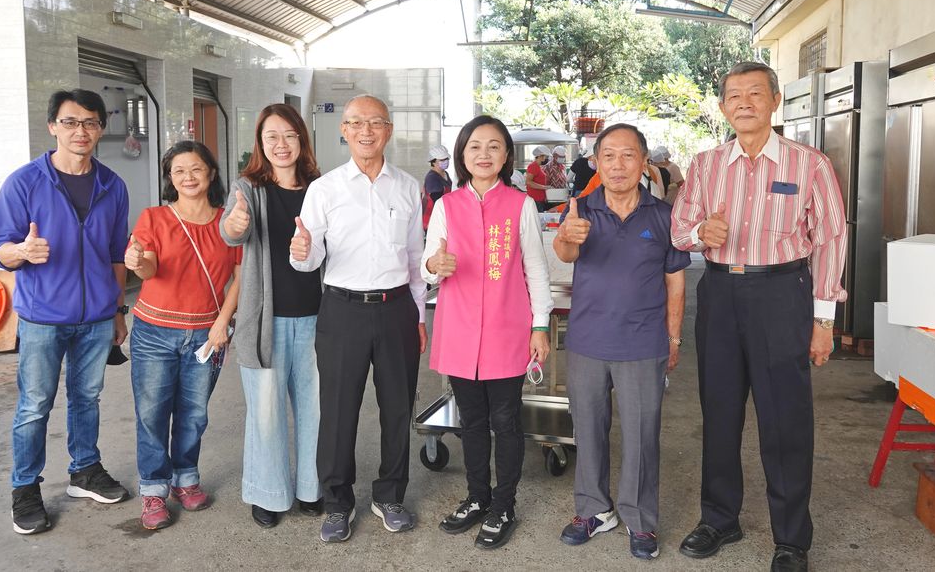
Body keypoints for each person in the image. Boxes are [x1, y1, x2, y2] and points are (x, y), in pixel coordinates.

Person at [670, 62, 847, 572]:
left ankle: (791, 538)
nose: (743, 102)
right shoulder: (705, 165)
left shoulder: (807, 164)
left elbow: (832, 240)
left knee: (784, 420)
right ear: (723, 107)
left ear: (774, 101)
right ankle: (720, 518)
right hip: (721, 292)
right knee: (719, 412)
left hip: (781, 293)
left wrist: (823, 320)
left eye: (754, 93)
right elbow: (679, 229)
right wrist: (701, 231)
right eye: (733, 95)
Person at [0, 89, 131, 535]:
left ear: (100, 130)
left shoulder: (113, 184)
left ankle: (84, 471)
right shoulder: (23, 182)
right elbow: (0, 249)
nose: (80, 131)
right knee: (35, 405)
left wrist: (117, 310)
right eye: (70, 122)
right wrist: (22, 251)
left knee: (86, 399)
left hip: (95, 319)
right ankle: (25, 488)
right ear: (53, 127)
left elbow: (116, 255)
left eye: (90, 122)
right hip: (42, 319)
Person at [290, 95, 427, 543]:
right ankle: (337, 502)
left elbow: (413, 257)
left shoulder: (407, 187)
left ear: (388, 130)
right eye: (355, 123)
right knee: (338, 412)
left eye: (374, 123)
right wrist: (302, 253)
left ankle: (389, 495)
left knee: (398, 408)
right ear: (343, 131)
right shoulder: (324, 189)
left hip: (396, 310)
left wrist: (419, 315)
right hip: (342, 310)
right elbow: (309, 260)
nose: (365, 131)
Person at [553, 124, 689, 560]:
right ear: (595, 163)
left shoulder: (663, 215)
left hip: (643, 343)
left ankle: (639, 519)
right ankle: (594, 510)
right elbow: (565, 253)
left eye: (628, 155)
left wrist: (673, 337)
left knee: (641, 435)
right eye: (608, 155)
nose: (617, 164)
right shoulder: (581, 209)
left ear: (644, 162)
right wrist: (565, 238)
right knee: (588, 430)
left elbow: (676, 283)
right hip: (588, 341)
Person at [422, 116, 553, 550]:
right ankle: (477, 497)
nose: (483, 154)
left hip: (506, 329)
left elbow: (536, 268)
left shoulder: (520, 204)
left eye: (494, 146)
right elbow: (429, 261)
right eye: (474, 146)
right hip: (460, 331)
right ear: (462, 154)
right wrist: (434, 266)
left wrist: (539, 325)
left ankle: (504, 504)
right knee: (471, 421)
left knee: (506, 420)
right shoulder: (447, 206)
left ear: (505, 156)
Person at [125, 141, 242, 530]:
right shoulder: (154, 218)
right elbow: (148, 270)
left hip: (206, 334)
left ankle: (186, 478)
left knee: (193, 415)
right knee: (152, 413)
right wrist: (138, 261)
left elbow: (241, 276)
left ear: (211, 173)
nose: (188, 177)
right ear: (170, 178)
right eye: (179, 171)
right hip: (154, 331)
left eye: (196, 168)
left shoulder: (229, 222)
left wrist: (223, 322)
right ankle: (154, 489)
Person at [219, 104, 324, 529]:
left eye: (289, 135)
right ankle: (268, 492)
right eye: (271, 137)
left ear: (302, 139)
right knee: (265, 413)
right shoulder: (247, 187)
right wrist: (236, 221)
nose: (281, 145)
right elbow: (233, 231)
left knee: (316, 409)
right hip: (266, 320)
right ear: (260, 144)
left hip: (319, 317)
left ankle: (312, 488)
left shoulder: (321, 187)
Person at [422, 145, 453, 230]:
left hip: (445, 215)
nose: (446, 161)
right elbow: (437, 201)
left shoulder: (445, 174)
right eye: (442, 160)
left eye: (446, 159)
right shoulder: (432, 177)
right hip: (434, 218)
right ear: (434, 162)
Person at [525, 145, 551, 212]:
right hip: (535, 199)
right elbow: (528, 182)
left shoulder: (538, 166)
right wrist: (544, 187)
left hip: (539, 199)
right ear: (540, 156)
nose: (546, 158)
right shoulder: (533, 166)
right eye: (545, 156)